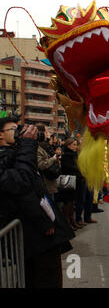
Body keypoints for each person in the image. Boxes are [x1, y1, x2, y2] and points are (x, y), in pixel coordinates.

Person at [0, 116, 74, 287]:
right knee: (44, 278)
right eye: (14, 130)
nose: (20, 133)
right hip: (34, 235)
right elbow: (23, 186)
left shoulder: (15, 153)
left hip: (35, 232)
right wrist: (44, 223)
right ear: (0, 135)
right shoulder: (10, 157)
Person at [56, 138, 83, 231]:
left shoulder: (73, 155)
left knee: (72, 202)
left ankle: (72, 220)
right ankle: (68, 222)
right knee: (67, 202)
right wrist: (79, 168)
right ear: (68, 145)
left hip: (74, 180)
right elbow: (68, 167)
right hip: (67, 180)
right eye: (74, 144)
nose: (75, 146)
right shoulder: (66, 155)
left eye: (76, 144)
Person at [36, 124, 61, 202]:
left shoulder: (46, 147)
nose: (49, 134)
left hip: (50, 183)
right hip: (45, 184)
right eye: (47, 132)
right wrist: (53, 159)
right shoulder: (38, 148)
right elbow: (41, 165)